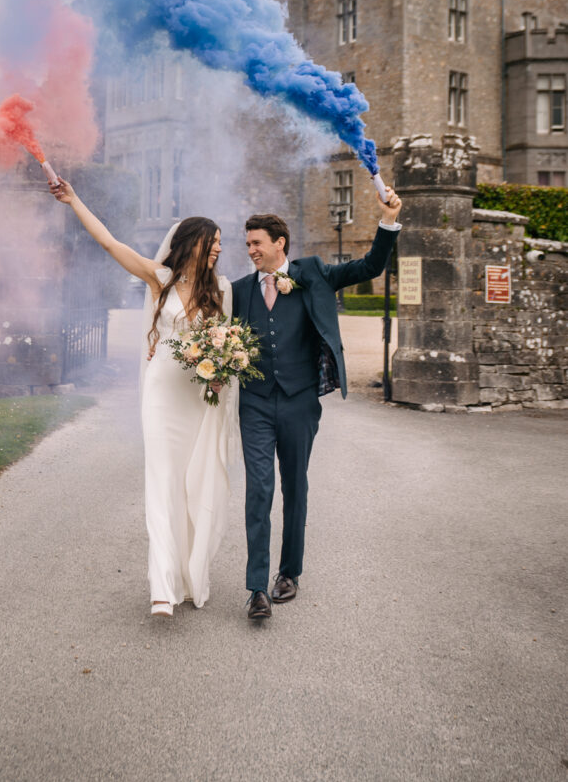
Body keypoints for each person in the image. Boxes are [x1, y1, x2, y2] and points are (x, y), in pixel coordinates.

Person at [50, 178, 237, 617]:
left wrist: (221, 376)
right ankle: (161, 585)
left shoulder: (222, 292)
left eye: (222, 245)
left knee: (194, 485)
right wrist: (75, 199)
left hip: (197, 400)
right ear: (193, 242)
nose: (218, 250)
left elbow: (227, 347)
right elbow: (109, 243)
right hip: (161, 394)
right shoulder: (161, 279)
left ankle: (189, 574)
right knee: (162, 480)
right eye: (213, 243)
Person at [232, 183, 402, 620]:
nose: (249, 249)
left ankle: (289, 573)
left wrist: (386, 220)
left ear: (278, 244)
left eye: (256, 243)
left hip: (300, 401)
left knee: (295, 487)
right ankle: (256, 589)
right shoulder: (238, 291)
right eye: (247, 243)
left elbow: (371, 265)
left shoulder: (314, 273)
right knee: (259, 490)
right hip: (254, 403)